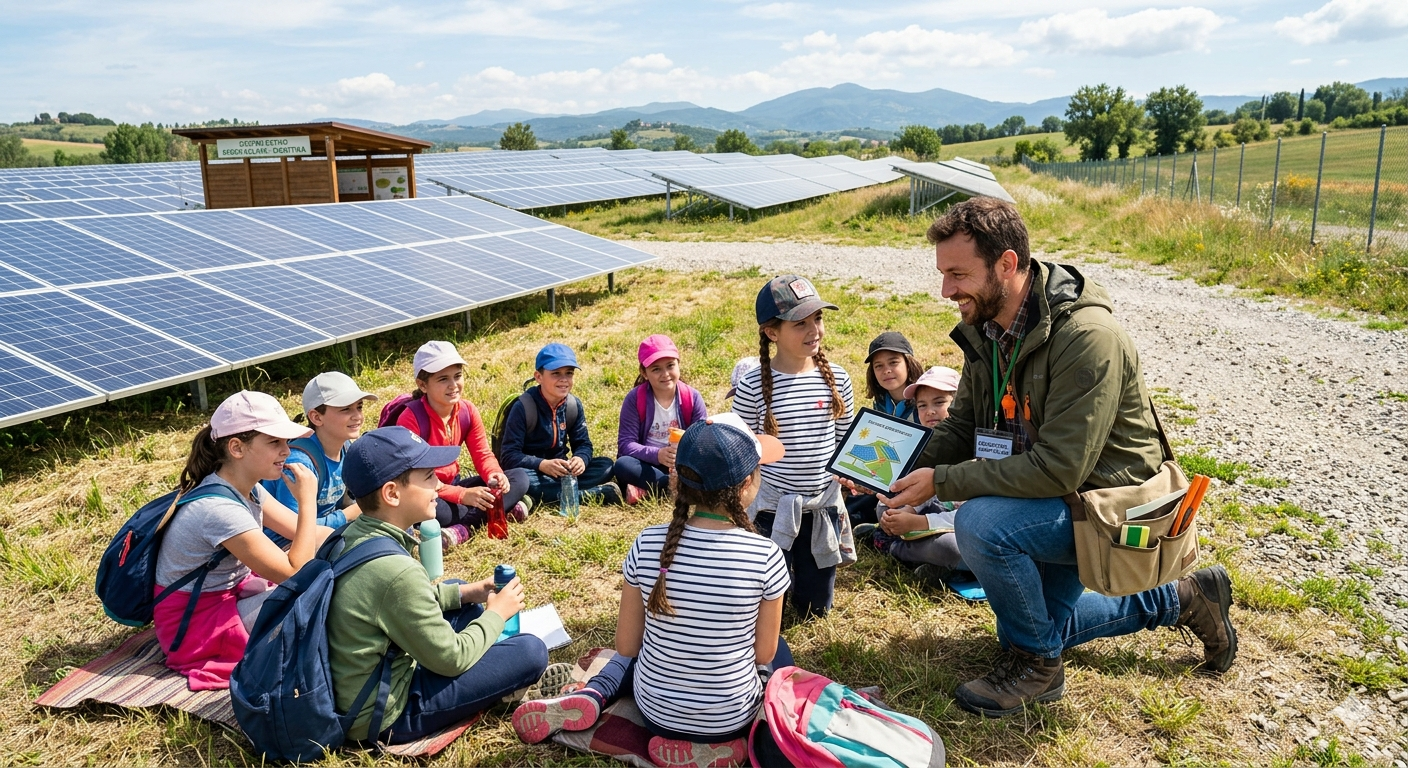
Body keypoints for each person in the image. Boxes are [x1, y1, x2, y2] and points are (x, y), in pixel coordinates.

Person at [879, 197, 1237, 717]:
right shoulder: (988, 326)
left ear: (1006, 263)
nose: (947, 290)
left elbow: (1060, 468)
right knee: (1035, 622)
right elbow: (964, 423)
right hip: (1053, 496)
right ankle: (1182, 598)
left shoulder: (1088, 337)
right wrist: (899, 470)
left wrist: (947, 481)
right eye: (943, 274)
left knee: (981, 524)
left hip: (1105, 500)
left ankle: (1038, 670)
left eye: (958, 274)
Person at [511, 414, 792, 768]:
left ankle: (595, 693)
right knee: (779, 653)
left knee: (638, 658)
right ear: (748, 482)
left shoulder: (647, 543)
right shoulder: (766, 555)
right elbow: (762, 653)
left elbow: (628, 646)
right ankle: (727, 745)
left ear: (678, 480)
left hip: (655, 713)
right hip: (726, 720)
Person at [328, 426, 549, 744]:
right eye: (429, 477)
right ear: (392, 494)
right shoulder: (397, 571)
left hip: (361, 681)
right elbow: (452, 659)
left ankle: (488, 652)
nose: (439, 486)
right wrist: (496, 614)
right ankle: (500, 679)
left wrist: (467, 592)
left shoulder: (356, 534)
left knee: (459, 592)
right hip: (383, 714)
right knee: (531, 651)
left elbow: (393, 599)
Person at [154, 390, 331, 690]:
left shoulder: (248, 488)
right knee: (317, 595)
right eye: (274, 442)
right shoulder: (219, 509)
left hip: (225, 600)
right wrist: (307, 501)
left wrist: (363, 542)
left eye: (286, 442)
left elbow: (310, 535)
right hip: (197, 627)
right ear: (236, 447)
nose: (286, 451)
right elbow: (295, 573)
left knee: (328, 580)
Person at [733, 275, 856, 620]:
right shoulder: (752, 386)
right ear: (772, 333)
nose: (814, 330)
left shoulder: (839, 378)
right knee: (770, 604)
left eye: (817, 318)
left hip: (821, 508)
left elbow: (846, 441)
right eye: (800, 323)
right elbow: (743, 453)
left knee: (816, 609)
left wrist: (855, 476)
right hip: (774, 511)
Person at [397, 341, 532, 547]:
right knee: (436, 513)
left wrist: (495, 475)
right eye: (443, 379)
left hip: (453, 484)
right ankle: (500, 510)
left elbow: (482, 454)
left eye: (457, 376)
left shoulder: (467, 411)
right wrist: (462, 495)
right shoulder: (411, 418)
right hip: (427, 492)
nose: (453, 385)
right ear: (422, 385)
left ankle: (463, 528)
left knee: (519, 477)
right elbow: (413, 478)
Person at [857, 367, 968, 588]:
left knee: (952, 548)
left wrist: (921, 522)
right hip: (929, 516)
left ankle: (892, 546)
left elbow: (972, 515)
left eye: (939, 403)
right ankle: (910, 544)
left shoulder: (973, 448)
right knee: (885, 507)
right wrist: (909, 510)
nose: (930, 412)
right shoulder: (920, 444)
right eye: (922, 406)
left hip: (958, 526)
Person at [259, 372, 373, 545]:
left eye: (359, 407)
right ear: (316, 417)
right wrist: (349, 514)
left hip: (324, 534)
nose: (357, 416)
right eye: (345, 409)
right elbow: (294, 527)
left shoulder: (345, 448)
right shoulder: (299, 463)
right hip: (286, 544)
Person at [501, 342, 620, 506]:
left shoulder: (572, 404)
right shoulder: (523, 407)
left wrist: (580, 459)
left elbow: (583, 443)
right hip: (533, 471)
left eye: (569, 373)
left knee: (606, 466)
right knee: (522, 479)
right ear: (538, 376)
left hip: (562, 470)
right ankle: (585, 495)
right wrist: (542, 464)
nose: (564, 380)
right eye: (556, 373)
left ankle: (545, 496)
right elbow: (508, 456)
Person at [615, 334, 708, 505]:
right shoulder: (635, 399)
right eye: (656, 369)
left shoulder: (692, 398)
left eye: (670, 366)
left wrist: (682, 456)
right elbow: (626, 444)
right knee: (622, 465)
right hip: (649, 464)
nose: (665, 374)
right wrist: (657, 455)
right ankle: (677, 488)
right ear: (644, 372)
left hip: (683, 464)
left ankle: (649, 490)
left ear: (678, 364)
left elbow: (701, 442)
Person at [847, 332, 925, 526]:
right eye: (878, 366)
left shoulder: (925, 400)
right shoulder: (881, 403)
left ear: (909, 363)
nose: (886, 370)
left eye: (893, 363)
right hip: (888, 476)